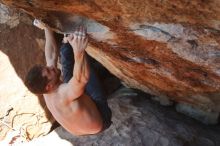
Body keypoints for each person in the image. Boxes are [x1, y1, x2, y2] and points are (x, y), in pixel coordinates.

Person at [25, 20, 112, 136]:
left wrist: (47, 27)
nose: (51, 67)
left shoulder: (44, 89)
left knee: (66, 54)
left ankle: (67, 41)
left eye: (47, 67)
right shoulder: (62, 94)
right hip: (101, 118)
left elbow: (51, 56)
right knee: (81, 62)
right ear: (49, 86)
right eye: (49, 71)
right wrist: (79, 51)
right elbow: (81, 79)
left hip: (79, 121)